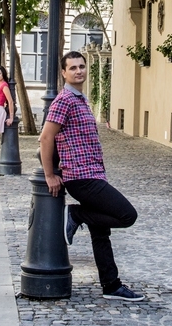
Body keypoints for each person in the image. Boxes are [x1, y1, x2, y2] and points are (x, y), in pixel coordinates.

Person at [39, 50, 143, 302]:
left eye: (81, 66)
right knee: (127, 215)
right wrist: (50, 175)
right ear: (63, 73)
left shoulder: (81, 99)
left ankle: (111, 285)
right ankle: (76, 215)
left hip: (94, 173)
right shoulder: (64, 100)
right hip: (81, 177)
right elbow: (46, 137)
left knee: (100, 232)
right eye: (72, 68)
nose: (78, 71)